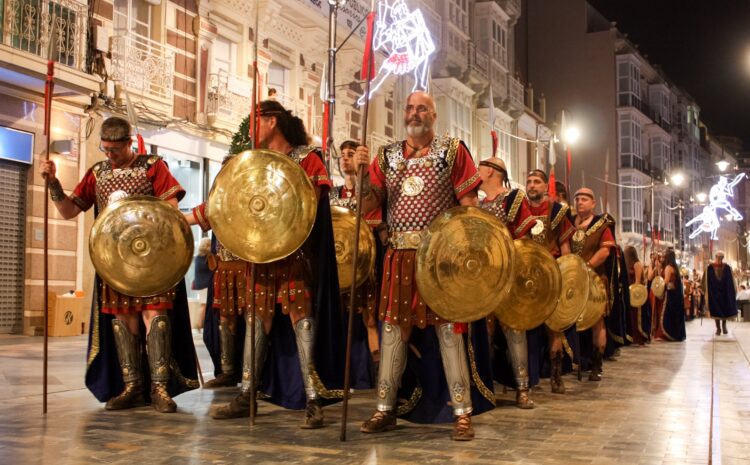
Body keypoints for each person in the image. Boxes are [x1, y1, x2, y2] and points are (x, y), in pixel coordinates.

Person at [186, 100, 345, 427]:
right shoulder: (250, 162)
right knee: (257, 322)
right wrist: (185, 218)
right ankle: (247, 393)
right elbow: (226, 201)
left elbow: (311, 207)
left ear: (272, 122)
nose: (251, 128)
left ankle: (312, 397)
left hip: (293, 255)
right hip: (258, 259)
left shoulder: (307, 159)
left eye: (255, 120)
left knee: (302, 321)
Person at [354, 91, 494, 441]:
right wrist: (361, 175)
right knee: (392, 331)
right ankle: (384, 408)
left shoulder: (452, 150)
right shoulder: (386, 155)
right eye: (410, 108)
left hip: (439, 258)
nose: (414, 113)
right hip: (398, 255)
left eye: (421, 109)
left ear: (433, 115)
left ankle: (462, 413)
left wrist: (465, 249)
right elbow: (369, 203)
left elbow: (468, 202)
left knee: (449, 331)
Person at [40, 116, 198, 413]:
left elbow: (171, 210)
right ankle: (132, 386)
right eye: (105, 149)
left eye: (115, 149)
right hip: (116, 263)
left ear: (129, 143)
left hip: (153, 261)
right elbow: (69, 211)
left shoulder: (152, 166)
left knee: (156, 320)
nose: (109, 155)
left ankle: (160, 388)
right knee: (125, 323)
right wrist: (54, 184)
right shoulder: (98, 172)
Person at [477, 157, 536, 409]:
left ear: (491, 171)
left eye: (480, 167)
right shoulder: (477, 204)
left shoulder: (514, 198)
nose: (475, 171)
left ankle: (522, 388)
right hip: (481, 275)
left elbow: (524, 238)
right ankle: (483, 387)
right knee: (483, 331)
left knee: (514, 328)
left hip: (508, 271)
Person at [329, 140, 383, 377]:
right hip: (340, 265)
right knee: (339, 319)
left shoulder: (368, 194)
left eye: (350, 154)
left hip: (364, 263)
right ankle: (339, 370)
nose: (345, 158)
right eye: (342, 155)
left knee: (369, 318)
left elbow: (375, 221)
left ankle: (379, 368)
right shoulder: (333, 193)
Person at [525, 170, 575, 394]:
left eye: (536, 182)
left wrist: (565, 274)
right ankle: (526, 376)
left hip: (552, 273)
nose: (532, 185)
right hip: (526, 275)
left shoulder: (557, 211)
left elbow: (565, 247)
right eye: (529, 181)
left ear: (546, 186)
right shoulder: (520, 209)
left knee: (554, 327)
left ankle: (556, 375)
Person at [570, 188, 617, 381]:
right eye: (577, 199)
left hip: (595, 279)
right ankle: (579, 360)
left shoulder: (601, 225)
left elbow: (605, 251)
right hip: (574, 280)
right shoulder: (570, 224)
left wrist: (587, 266)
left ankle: (597, 363)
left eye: (584, 199)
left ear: (593, 203)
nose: (580, 202)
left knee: (596, 321)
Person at [703, 251, 738, 335]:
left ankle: (724, 326)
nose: (719, 259)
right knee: (716, 310)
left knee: (725, 309)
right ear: (715, 257)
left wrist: (732, 291)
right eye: (718, 257)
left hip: (725, 293)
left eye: (721, 257)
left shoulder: (727, 267)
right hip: (714, 293)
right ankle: (718, 328)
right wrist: (703, 289)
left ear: (723, 258)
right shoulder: (709, 268)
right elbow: (704, 280)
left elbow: (731, 281)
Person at [654, 249, 686, 341]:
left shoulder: (668, 267)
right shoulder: (674, 267)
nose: (662, 258)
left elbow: (665, 281)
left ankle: (667, 334)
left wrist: (658, 285)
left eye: (664, 256)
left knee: (667, 314)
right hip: (675, 294)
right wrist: (659, 268)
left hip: (670, 294)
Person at [624, 246, 650, 345]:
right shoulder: (628, 264)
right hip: (631, 294)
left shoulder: (637, 264)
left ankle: (638, 337)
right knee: (631, 317)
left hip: (637, 295)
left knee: (637, 318)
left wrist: (631, 290)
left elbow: (637, 282)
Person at [192, 237, 214, 333]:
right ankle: (200, 325)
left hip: (199, 284)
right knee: (204, 305)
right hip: (206, 285)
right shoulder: (207, 258)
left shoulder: (197, 258)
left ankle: (200, 324)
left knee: (203, 305)